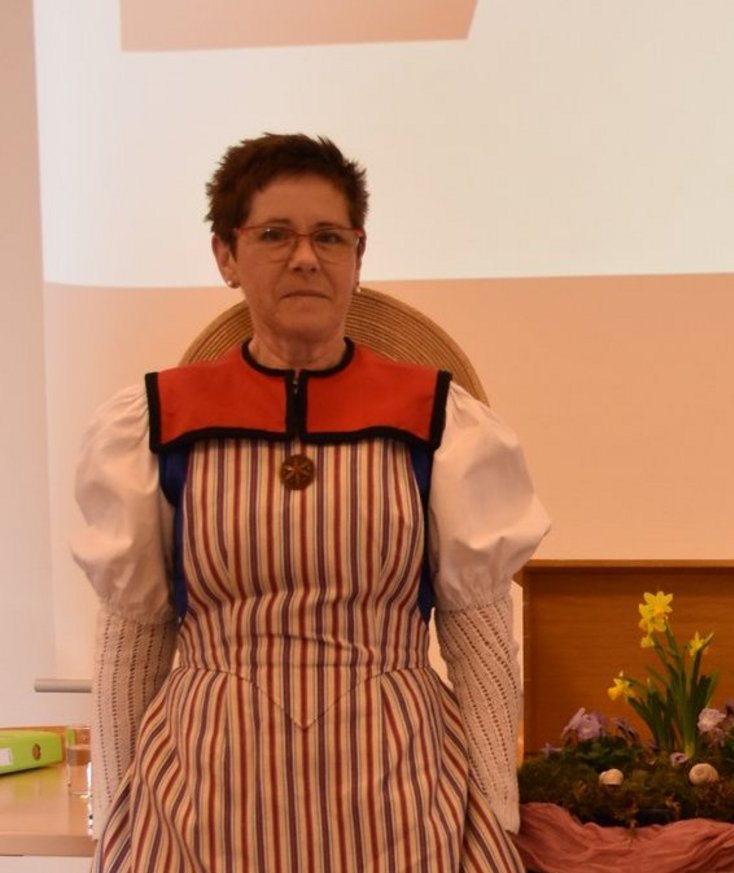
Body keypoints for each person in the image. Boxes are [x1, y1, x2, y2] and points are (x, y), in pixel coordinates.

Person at [71, 133, 548, 872]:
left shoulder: (437, 422)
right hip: (203, 805)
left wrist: (498, 813)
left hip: (399, 801)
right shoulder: (159, 423)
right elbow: (131, 639)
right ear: (226, 256)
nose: (305, 257)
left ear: (358, 255)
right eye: (274, 235)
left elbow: (478, 634)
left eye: (329, 236)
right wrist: (113, 817)